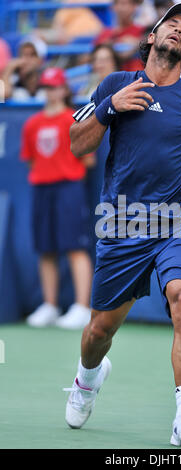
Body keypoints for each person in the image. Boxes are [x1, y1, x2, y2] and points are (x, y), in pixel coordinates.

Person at [64, 3, 181, 448]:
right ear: (151, 37)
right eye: (171, 24)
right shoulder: (116, 84)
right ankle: (87, 379)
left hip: (178, 222)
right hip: (121, 222)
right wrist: (108, 107)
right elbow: (76, 143)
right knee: (99, 331)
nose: (178, 30)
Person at [20, 68, 95, 330]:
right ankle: (50, 305)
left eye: (55, 87)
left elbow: (88, 160)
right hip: (42, 188)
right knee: (45, 248)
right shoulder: (32, 124)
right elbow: (31, 160)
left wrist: (65, 175)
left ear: (64, 89)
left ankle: (82, 307)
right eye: (47, 87)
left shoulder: (72, 120)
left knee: (75, 247)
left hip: (69, 188)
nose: (50, 92)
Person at [93, 0, 146, 71]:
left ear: (134, 7)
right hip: (112, 78)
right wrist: (110, 46)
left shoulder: (142, 31)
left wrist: (138, 44)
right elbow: (89, 57)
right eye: (118, 4)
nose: (122, 8)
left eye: (125, 4)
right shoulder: (106, 33)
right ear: (113, 7)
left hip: (137, 76)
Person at [2, 35, 47, 101]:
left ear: (40, 60)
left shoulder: (47, 76)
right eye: (23, 54)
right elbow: (2, 95)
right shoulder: (14, 75)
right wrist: (9, 69)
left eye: (32, 55)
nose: (26, 60)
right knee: (20, 94)